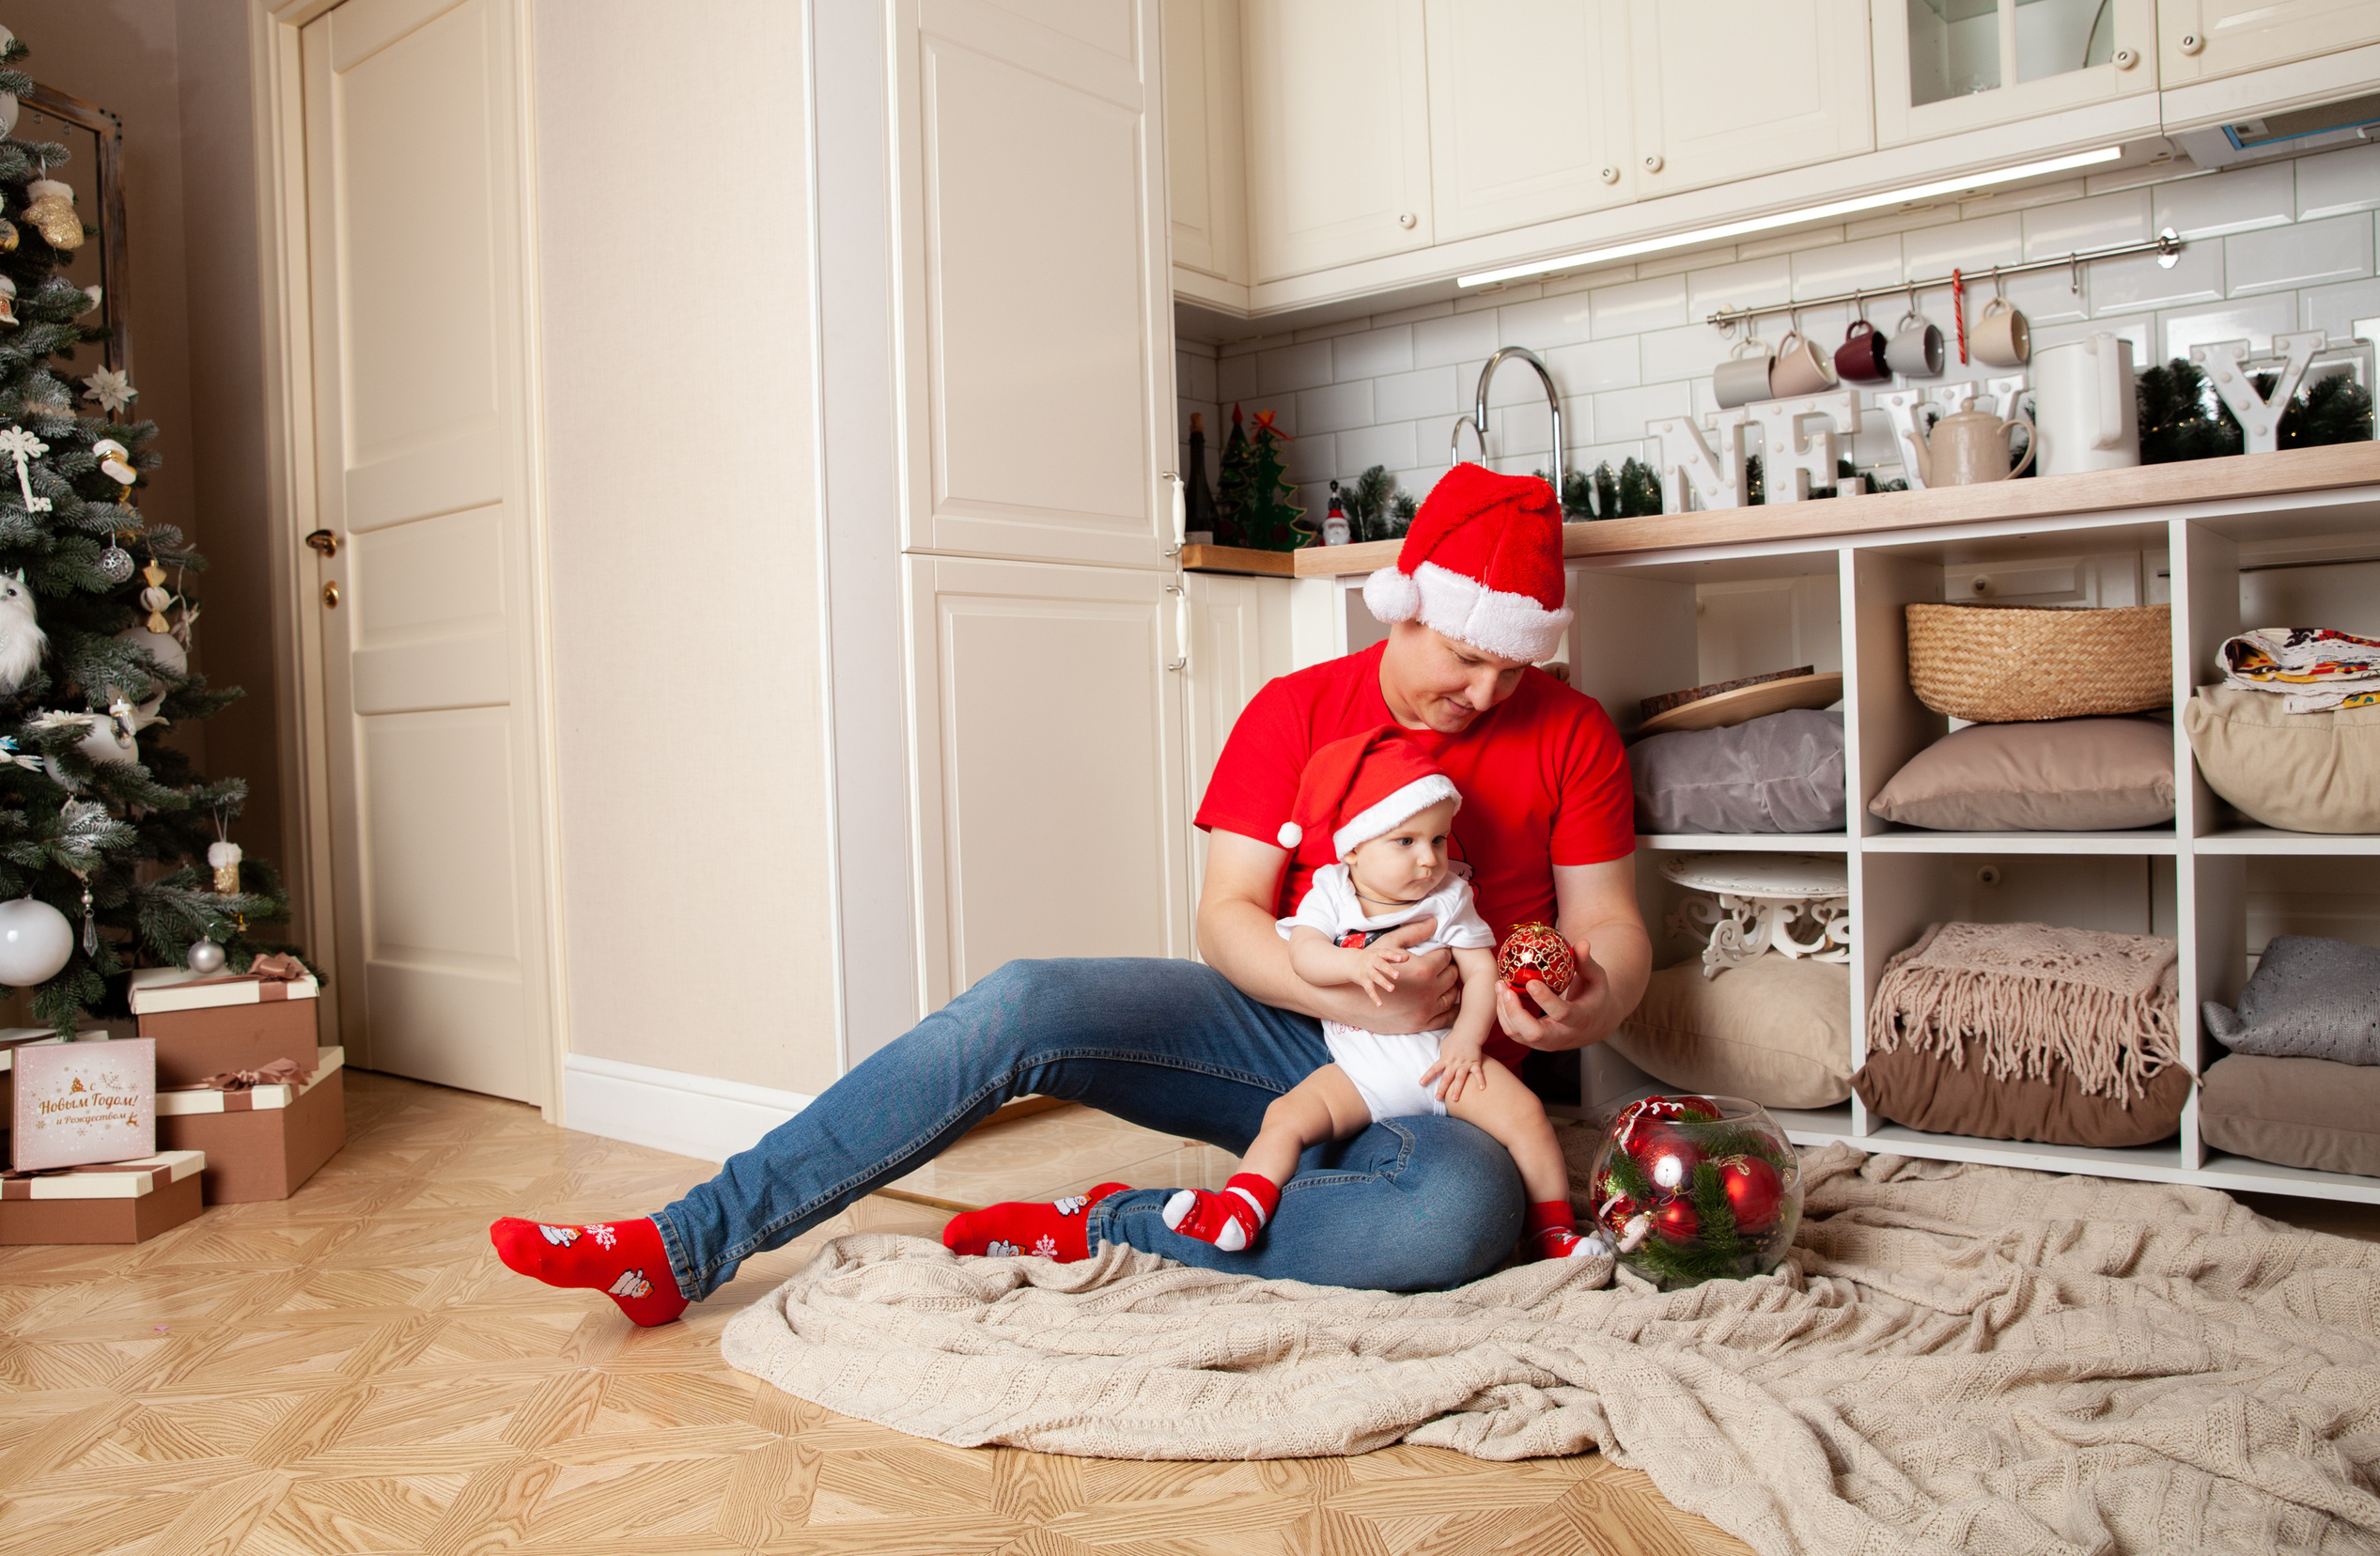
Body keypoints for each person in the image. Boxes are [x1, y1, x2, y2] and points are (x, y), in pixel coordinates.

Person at [490, 462, 1648, 1326]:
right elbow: (1227, 919)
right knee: (1023, 999)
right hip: (1281, 1031)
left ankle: (1104, 1226)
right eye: (1465, 657)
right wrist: (1338, 983)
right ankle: (683, 1244)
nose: (1485, 694)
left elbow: (1609, 925)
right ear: (1404, 604)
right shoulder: (1293, 710)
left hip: (1450, 1082)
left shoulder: (1572, 733)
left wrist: (1587, 1001)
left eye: (1513, 669)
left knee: (1454, 1220)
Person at [1156, 724, 1604, 1260]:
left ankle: (1551, 1231)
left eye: (1438, 840)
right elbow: (1303, 954)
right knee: (1286, 1118)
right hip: (1359, 1072)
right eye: (1406, 842)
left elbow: (1481, 972)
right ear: (1354, 848)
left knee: (1528, 1115)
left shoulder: (1449, 897)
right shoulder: (1332, 893)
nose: (1428, 859)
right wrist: (1353, 963)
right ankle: (1242, 1207)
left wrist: (1466, 1041)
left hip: (1443, 1067)